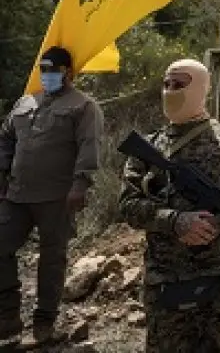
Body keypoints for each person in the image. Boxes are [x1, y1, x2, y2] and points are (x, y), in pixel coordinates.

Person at [117, 58, 220, 352]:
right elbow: (128, 204)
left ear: (201, 88)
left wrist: (216, 222)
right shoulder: (148, 147)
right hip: (167, 278)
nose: (169, 90)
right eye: (166, 84)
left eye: (179, 84)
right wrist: (174, 220)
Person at [0, 46, 103, 348]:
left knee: (52, 260)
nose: (47, 75)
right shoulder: (24, 102)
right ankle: (7, 316)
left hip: (58, 198)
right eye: (43, 69)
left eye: (53, 70)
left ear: (68, 72)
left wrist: (80, 184)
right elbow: (5, 137)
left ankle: (44, 322)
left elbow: (89, 146)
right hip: (17, 195)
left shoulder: (83, 106)